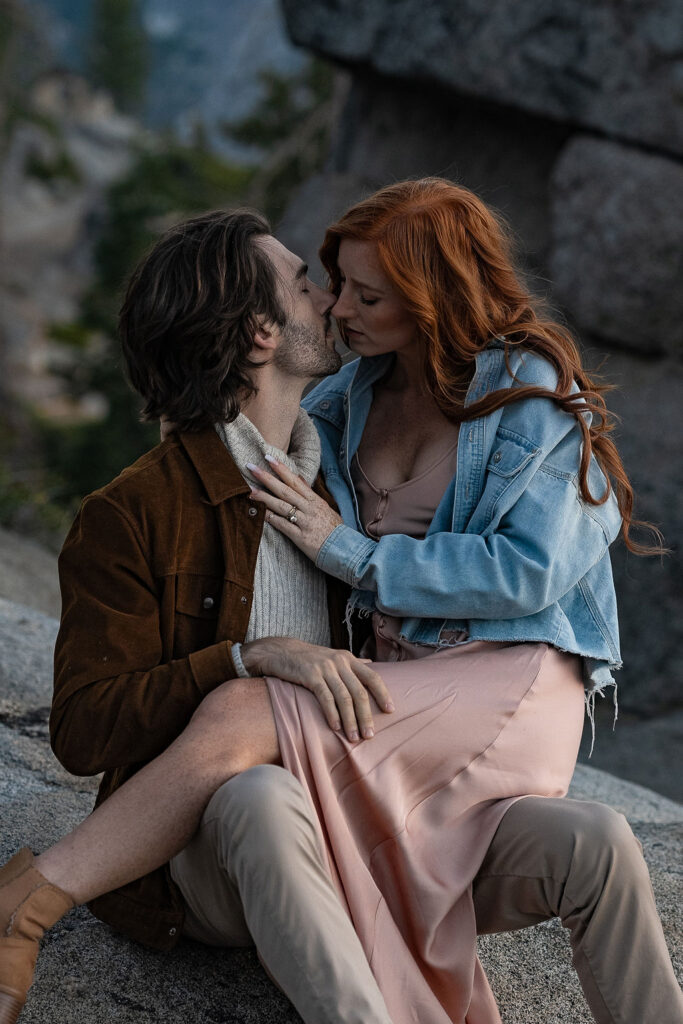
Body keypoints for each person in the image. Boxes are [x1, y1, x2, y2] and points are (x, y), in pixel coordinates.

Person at [0, 189, 679, 1024]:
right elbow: (84, 731)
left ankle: (29, 894)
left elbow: (531, 561)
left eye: (362, 292)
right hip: (287, 802)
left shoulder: (445, 425)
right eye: (314, 284)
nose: (333, 303)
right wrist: (249, 655)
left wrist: (345, 554)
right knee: (260, 759)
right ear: (259, 333)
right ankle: (28, 904)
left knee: (595, 840)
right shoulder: (184, 491)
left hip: (453, 721)